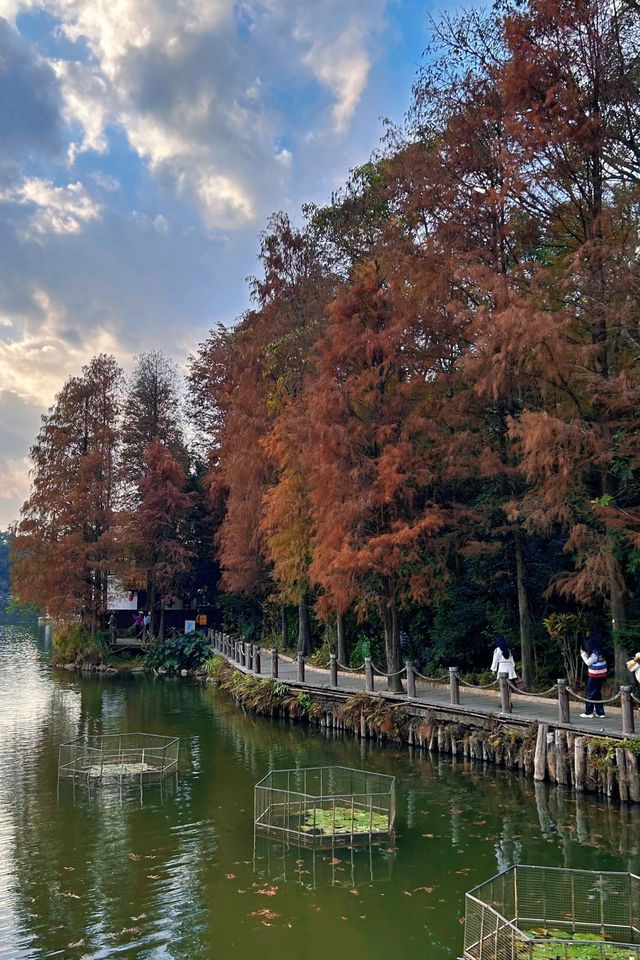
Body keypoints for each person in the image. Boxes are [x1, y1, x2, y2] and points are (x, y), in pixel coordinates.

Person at [580, 637, 607, 718]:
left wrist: (583, 654)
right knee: (597, 693)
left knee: (590, 693)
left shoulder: (595, 654)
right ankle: (600, 712)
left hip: (594, 675)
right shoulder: (601, 652)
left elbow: (588, 662)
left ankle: (589, 712)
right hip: (601, 675)